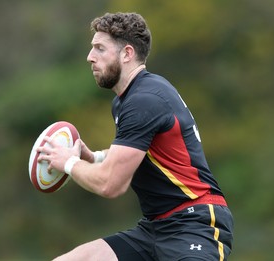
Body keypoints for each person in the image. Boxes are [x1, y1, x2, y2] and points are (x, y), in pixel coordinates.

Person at [37, 12, 234, 261]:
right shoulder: (128, 100)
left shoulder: (144, 101)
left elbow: (111, 184)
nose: (90, 57)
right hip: (154, 229)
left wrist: (68, 162)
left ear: (127, 54)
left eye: (100, 48)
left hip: (195, 225)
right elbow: (140, 153)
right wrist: (95, 157)